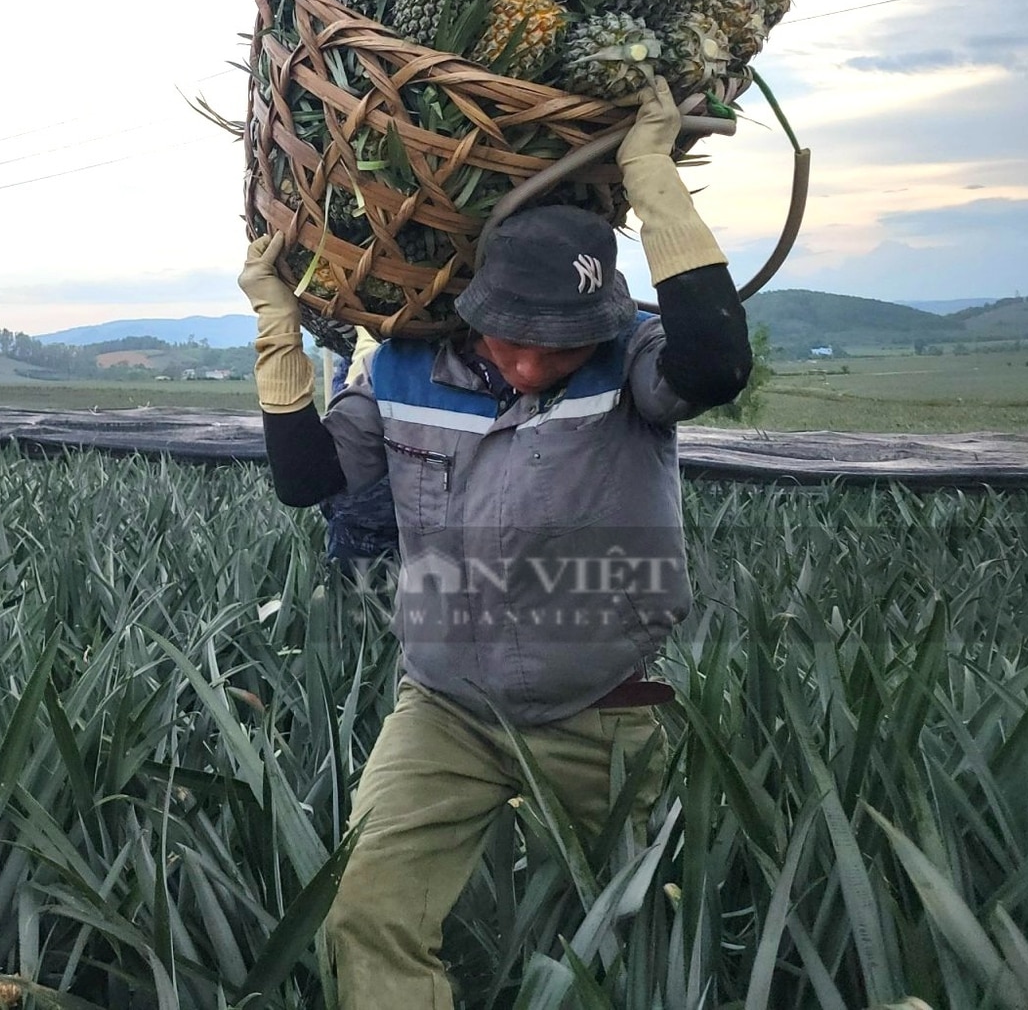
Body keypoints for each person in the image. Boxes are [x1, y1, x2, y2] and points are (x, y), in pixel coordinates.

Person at [239, 79, 752, 1007]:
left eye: (557, 346)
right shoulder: (399, 368)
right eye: (514, 339)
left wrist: (650, 176)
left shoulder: (630, 358)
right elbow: (305, 481)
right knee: (366, 916)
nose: (529, 363)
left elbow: (716, 364)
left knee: (640, 938)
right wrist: (280, 332)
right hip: (445, 709)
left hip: (604, 712)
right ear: (475, 308)